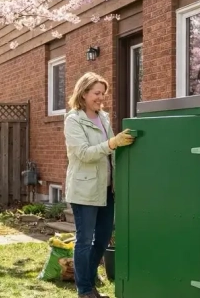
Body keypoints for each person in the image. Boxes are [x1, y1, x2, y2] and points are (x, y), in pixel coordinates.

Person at [63, 72, 135, 298]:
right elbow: (84, 154)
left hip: (106, 189)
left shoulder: (103, 117)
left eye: (103, 93)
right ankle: (84, 290)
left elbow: (111, 153)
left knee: (103, 238)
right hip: (84, 190)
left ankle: (88, 275)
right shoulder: (73, 120)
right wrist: (113, 143)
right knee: (84, 240)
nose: (101, 97)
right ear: (83, 93)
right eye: (96, 93)